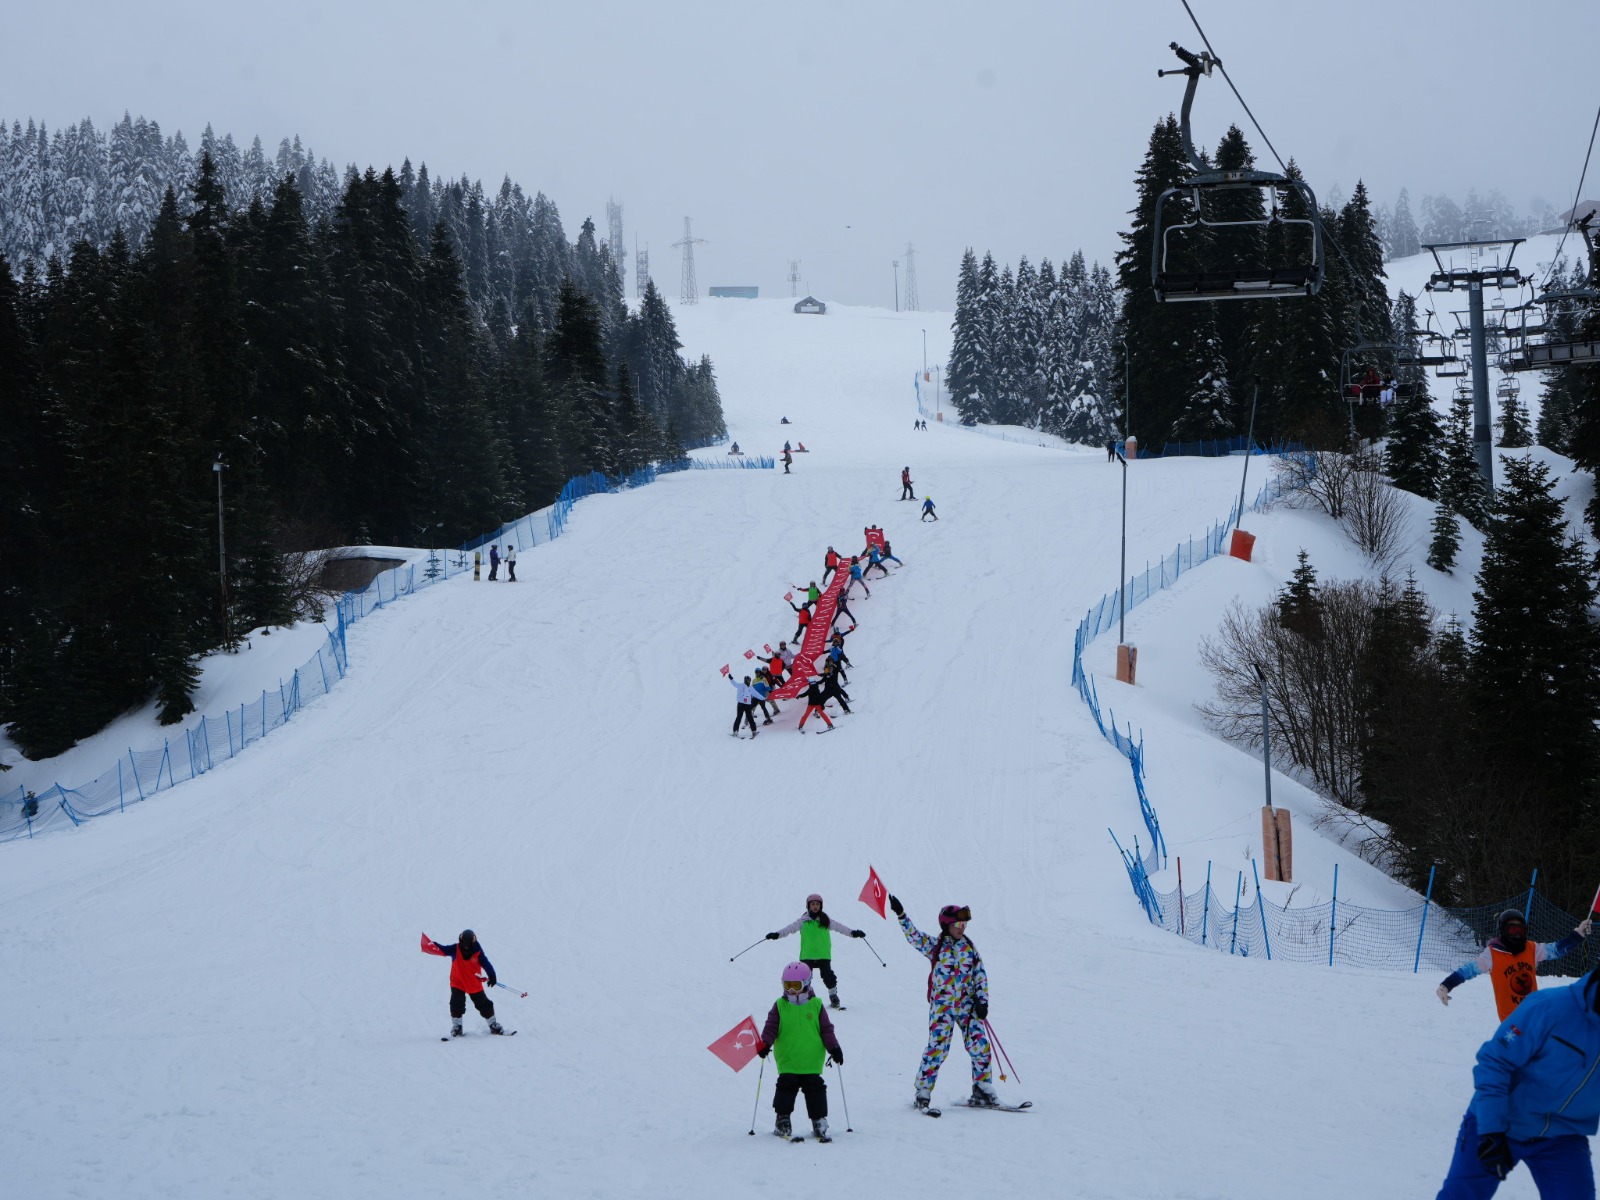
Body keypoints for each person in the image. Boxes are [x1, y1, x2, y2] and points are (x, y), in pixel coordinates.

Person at [1434, 965, 1600, 1197]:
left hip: (1564, 1136)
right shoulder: (1550, 1007)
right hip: (1501, 1122)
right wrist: (1491, 1130)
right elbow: (1495, 1063)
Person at [887, 895, 998, 1109]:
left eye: (964, 924)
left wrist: (982, 1001)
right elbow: (914, 936)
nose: (962, 928)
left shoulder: (969, 948)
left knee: (980, 1045)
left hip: (967, 1006)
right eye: (958, 924)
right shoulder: (935, 946)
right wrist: (901, 914)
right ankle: (923, 1090)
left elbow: (980, 975)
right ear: (947, 925)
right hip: (943, 1007)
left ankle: (982, 1088)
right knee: (937, 1048)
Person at [1438, 910, 1591, 1021]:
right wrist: (1446, 985)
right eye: (1512, 929)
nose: (1517, 934)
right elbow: (1468, 970)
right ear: (1503, 930)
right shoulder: (1492, 954)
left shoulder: (1531, 948)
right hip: (1510, 1022)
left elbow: (1555, 950)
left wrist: (1577, 935)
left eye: (1520, 929)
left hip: (1533, 1014)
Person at [758, 962, 843, 1141]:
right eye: (787, 985)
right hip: (788, 1059)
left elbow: (826, 1030)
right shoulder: (780, 1005)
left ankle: (819, 1120)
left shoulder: (816, 1005)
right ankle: (783, 1120)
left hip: (811, 1059)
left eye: (795, 985)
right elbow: (771, 1027)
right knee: (785, 1088)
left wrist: (834, 1048)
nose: (791, 990)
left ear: (806, 983)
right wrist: (765, 1043)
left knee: (816, 1089)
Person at [764, 894, 868, 1009]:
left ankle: (833, 996)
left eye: (817, 904)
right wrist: (777, 934)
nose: (815, 906)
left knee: (828, 976)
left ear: (821, 906)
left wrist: (853, 933)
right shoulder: (802, 921)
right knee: (804, 979)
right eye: (812, 904)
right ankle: (804, 998)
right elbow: (789, 929)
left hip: (823, 955)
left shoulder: (825, 920)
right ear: (808, 906)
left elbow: (840, 927)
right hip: (807, 955)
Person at [422, 929, 507, 1037]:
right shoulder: (455, 948)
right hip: (458, 982)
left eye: (468, 945)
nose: (466, 947)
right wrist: (432, 944)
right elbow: (443, 949)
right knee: (456, 1003)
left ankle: (493, 1024)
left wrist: (492, 975)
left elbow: (486, 963)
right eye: (464, 945)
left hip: (473, 983)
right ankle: (457, 1027)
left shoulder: (477, 951)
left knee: (484, 1004)